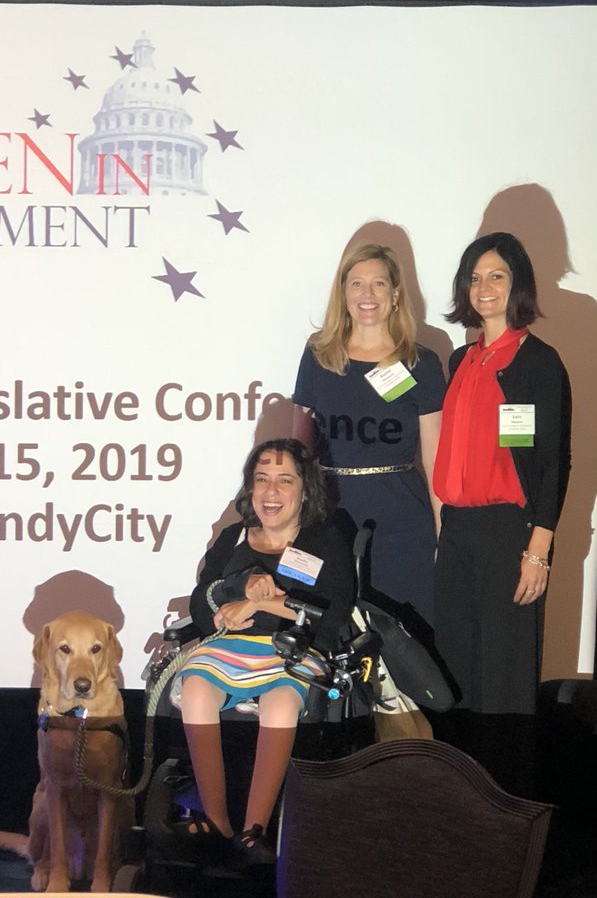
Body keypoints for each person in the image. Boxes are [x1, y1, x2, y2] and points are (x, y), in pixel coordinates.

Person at [171, 438, 354, 863]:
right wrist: (237, 591)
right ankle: (216, 819)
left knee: (282, 702)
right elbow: (201, 603)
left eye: (284, 480)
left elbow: (333, 612)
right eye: (262, 479)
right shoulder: (233, 537)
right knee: (196, 690)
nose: (271, 492)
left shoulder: (325, 540)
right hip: (229, 647)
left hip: (294, 648)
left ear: (304, 490)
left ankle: (254, 829)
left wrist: (258, 603)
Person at [433, 231, 571, 719]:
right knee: (454, 670)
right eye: (474, 278)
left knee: (504, 675)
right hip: (457, 531)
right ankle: (458, 767)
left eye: (496, 276)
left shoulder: (538, 362)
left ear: (519, 284)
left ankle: (504, 768)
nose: (484, 288)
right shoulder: (462, 359)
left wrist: (538, 551)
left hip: (508, 533)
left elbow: (553, 461)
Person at [293, 243, 444, 628]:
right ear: (343, 293)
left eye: (379, 283)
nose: (367, 294)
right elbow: (298, 454)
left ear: (395, 295)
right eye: (357, 283)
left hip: (401, 521)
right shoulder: (318, 356)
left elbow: (434, 461)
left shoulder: (421, 364)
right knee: (327, 628)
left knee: (405, 635)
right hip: (329, 516)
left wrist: (444, 534)